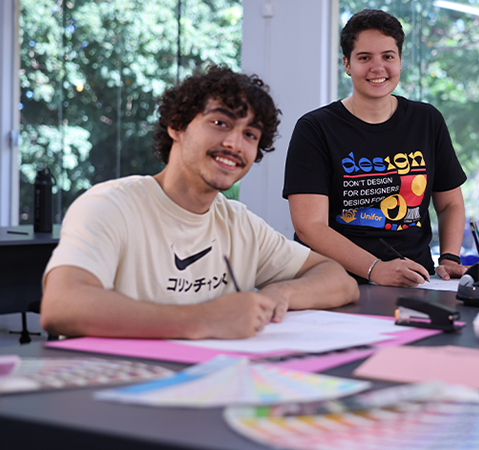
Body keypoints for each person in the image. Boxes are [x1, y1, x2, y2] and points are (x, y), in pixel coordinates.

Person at [40, 66, 359, 340]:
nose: (235, 143)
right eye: (220, 123)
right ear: (176, 125)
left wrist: (282, 293)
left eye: (250, 134)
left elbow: (338, 280)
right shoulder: (110, 205)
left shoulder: (238, 223)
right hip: (111, 394)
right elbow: (61, 305)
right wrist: (204, 319)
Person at [282, 9, 468, 287]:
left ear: (400, 61)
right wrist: (375, 269)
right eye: (364, 57)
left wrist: (449, 257)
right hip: (335, 282)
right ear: (347, 64)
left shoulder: (427, 120)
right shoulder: (315, 128)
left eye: (388, 56)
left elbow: (450, 202)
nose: (377, 67)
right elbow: (309, 227)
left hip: (417, 279)